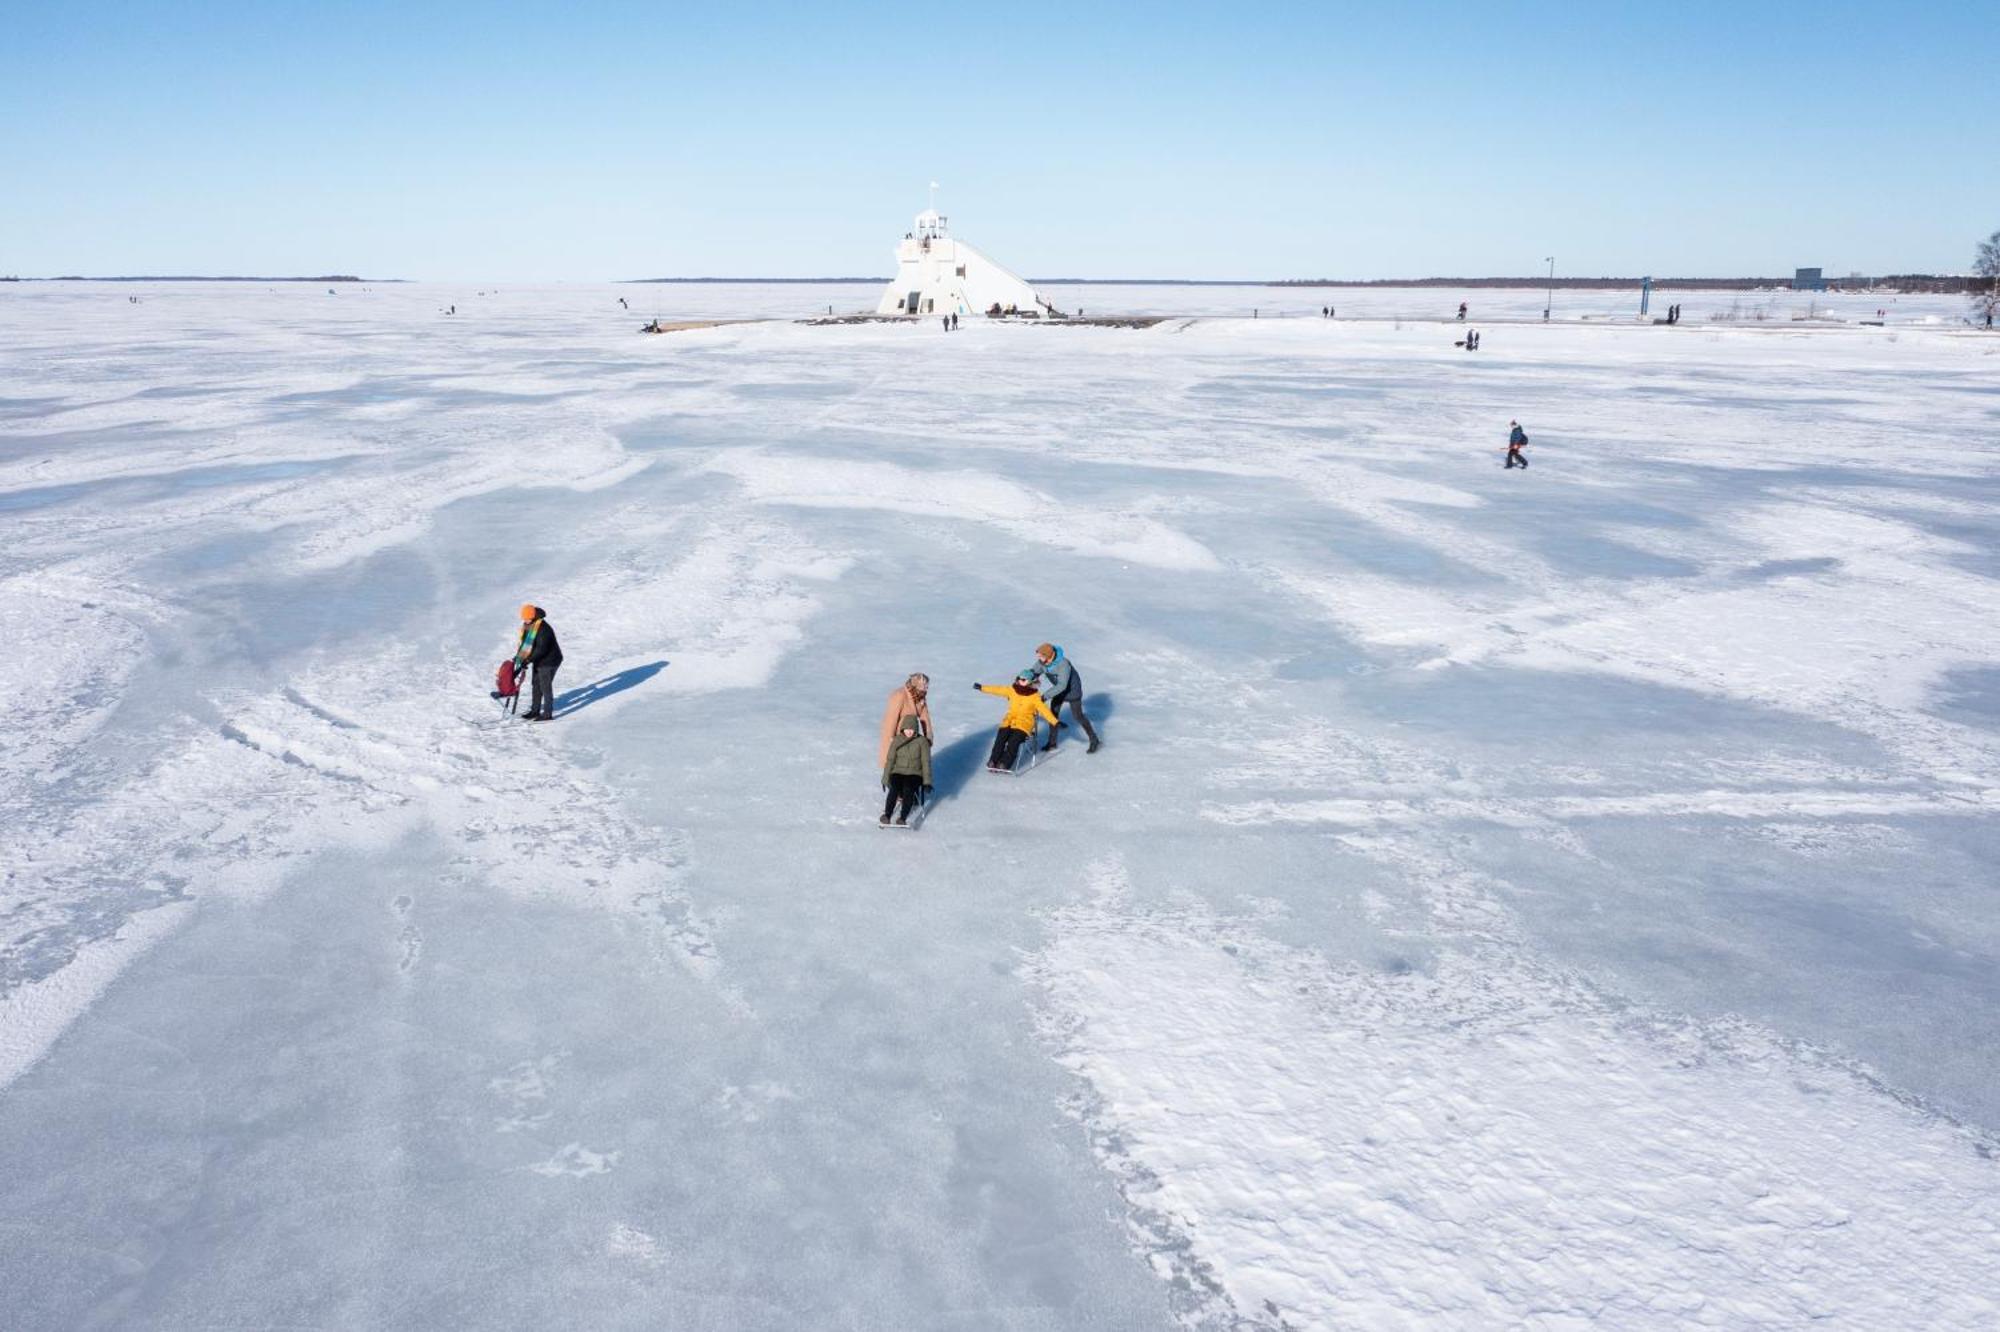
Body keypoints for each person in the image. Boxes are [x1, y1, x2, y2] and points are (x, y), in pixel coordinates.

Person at [1027, 643, 1100, 753]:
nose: (1039, 659)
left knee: (1078, 716)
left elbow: (1062, 685)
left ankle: (1094, 739)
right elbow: (1032, 673)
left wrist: (1044, 697)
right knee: (1052, 715)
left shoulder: (1063, 664)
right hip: (1058, 691)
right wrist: (1021, 681)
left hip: (1072, 691)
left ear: (1049, 656)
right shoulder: (1042, 662)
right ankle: (1052, 743)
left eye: (1041, 656)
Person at [975, 675, 1058, 772]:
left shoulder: (1035, 697)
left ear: (1030, 682)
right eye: (1019, 678)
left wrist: (1054, 721)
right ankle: (993, 760)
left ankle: (1005, 763)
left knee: (1013, 741)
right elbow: (997, 689)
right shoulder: (1012, 690)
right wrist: (982, 687)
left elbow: (1044, 710)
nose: (1019, 681)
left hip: (1024, 724)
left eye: (1023, 679)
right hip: (1009, 721)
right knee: (1000, 739)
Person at [880, 712, 933, 826]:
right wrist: (885, 779)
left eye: (912, 729)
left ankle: (902, 818)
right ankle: (887, 815)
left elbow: (926, 762)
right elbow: (890, 760)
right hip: (898, 771)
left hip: (915, 773)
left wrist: (927, 782)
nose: (909, 731)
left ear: (915, 729)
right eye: (907, 729)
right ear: (903, 728)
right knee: (894, 789)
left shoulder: (922, 742)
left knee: (909, 789)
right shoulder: (897, 740)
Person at [513, 604, 563, 720]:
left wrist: (529, 660)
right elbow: (526, 643)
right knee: (536, 685)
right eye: (523, 618)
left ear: (533, 616)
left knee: (545, 687)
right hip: (538, 660)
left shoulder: (543, 629)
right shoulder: (529, 625)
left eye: (526, 618)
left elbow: (541, 649)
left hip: (550, 660)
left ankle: (547, 714)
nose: (524, 620)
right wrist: (519, 657)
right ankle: (535, 711)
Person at [878, 674, 933, 768]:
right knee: (895, 766)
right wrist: (891, 740)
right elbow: (890, 720)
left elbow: (925, 718)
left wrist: (928, 736)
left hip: (912, 736)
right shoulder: (899, 696)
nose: (927, 689)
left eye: (927, 686)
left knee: (910, 766)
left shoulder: (920, 696)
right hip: (898, 737)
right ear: (916, 685)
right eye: (925, 686)